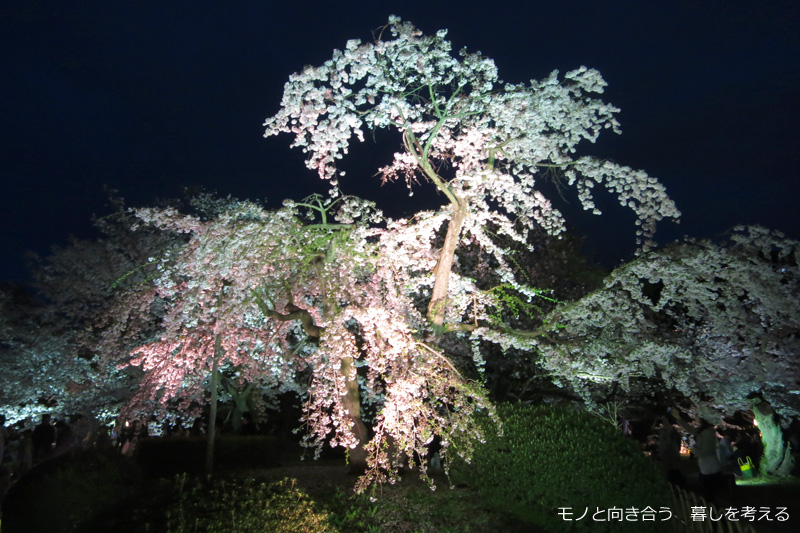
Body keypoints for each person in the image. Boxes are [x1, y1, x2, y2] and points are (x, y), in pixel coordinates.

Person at [673, 410, 724, 502]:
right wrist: (678, 418)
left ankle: (716, 513)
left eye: (697, 416)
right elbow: (690, 429)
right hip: (706, 468)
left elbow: (703, 453)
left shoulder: (708, 432)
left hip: (710, 468)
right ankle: (713, 512)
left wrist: (691, 446)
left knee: (712, 496)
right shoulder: (703, 430)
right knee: (709, 495)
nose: (695, 418)